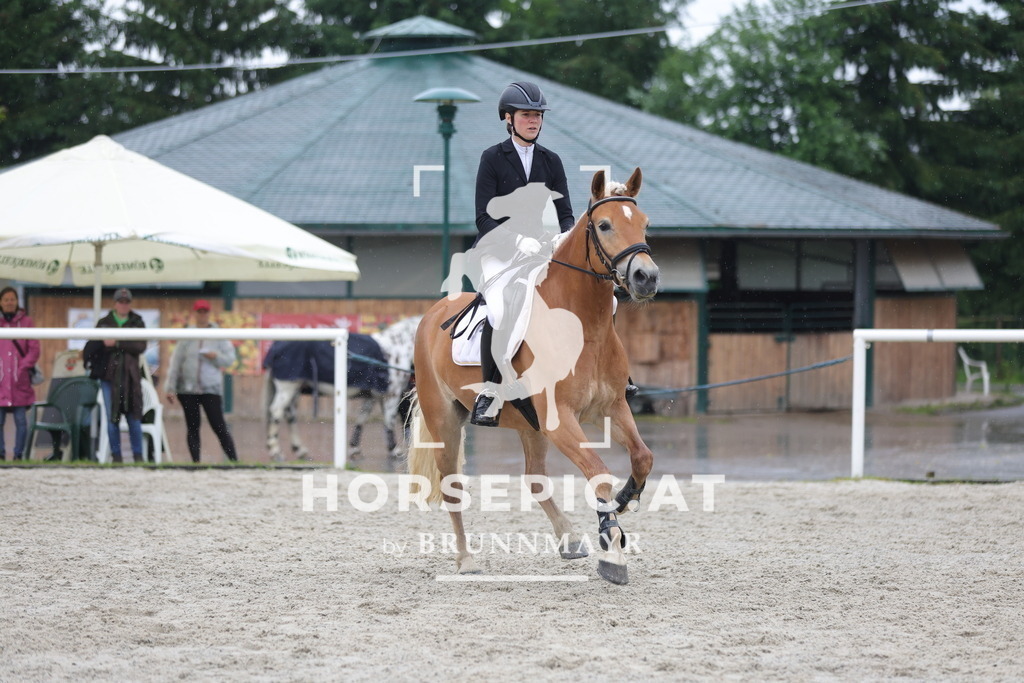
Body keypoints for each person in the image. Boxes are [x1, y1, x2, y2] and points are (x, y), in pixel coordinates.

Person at [465, 81, 577, 428]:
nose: (534, 121)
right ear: (508, 119)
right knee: (498, 309)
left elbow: (567, 214)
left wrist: (566, 239)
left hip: (541, 253)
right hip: (499, 252)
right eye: (527, 115)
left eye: (538, 116)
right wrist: (516, 241)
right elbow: (482, 217)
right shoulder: (492, 158)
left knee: (597, 298)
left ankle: (611, 376)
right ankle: (490, 392)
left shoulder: (551, 161)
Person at [163, 300, 238, 463]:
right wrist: (170, 387)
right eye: (199, 312)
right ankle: (196, 462)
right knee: (192, 426)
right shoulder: (186, 335)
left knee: (219, 426)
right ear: (195, 314)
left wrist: (215, 357)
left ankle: (234, 460)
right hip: (187, 388)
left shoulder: (219, 335)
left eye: (205, 312)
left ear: (209, 314)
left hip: (210, 388)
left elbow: (230, 359)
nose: (202, 315)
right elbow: (176, 362)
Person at [96, 288, 147, 463]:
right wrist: (125, 344)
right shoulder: (104, 322)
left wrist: (117, 343)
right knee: (112, 417)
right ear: (115, 303)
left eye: (126, 302)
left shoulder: (137, 321)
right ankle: (116, 456)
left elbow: (140, 346)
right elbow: (96, 347)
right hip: (109, 377)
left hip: (131, 377)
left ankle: (138, 456)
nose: (123, 305)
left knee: (134, 416)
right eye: (121, 301)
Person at [0, 287, 40, 462]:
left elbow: (34, 348)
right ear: (1, 302)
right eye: (6, 299)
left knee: (21, 421)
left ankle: (18, 455)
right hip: (1, 380)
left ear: (17, 301)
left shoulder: (27, 322)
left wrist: (22, 367)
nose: (9, 302)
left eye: (12, 299)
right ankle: (1, 454)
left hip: (19, 381)